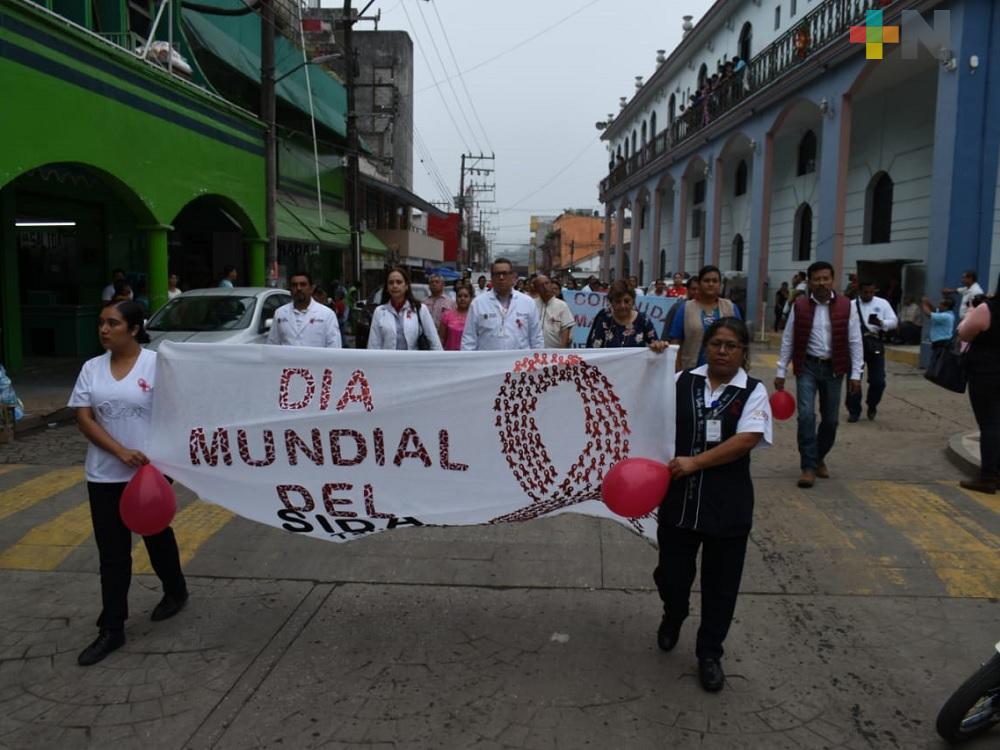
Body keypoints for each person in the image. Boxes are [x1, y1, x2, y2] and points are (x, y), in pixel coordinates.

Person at [653, 317, 772, 693]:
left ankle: (709, 654)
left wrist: (695, 463)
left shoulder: (753, 391)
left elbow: (747, 439)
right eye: (716, 343)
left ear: (743, 352)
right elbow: (643, 403)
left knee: (721, 587)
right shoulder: (681, 381)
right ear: (705, 346)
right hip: (680, 504)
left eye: (731, 346)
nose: (722, 351)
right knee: (671, 576)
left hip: (728, 505)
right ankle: (674, 613)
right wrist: (652, 359)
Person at [68, 301, 188, 666]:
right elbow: (84, 418)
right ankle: (112, 628)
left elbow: (176, 412)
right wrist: (119, 451)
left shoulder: (157, 366)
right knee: (113, 552)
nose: (104, 329)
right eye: (101, 323)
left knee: (156, 535)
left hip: (149, 473)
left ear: (134, 329)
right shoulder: (92, 368)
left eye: (113, 323)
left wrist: (159, 455)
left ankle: (175, 590)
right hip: (104, 474)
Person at [775, 261, 863, 488]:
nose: (822, 283)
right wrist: (781, 369)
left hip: (835, 369)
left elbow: (855, 340)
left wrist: (856, 374)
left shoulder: (847, 306)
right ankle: (808, 466)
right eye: (817, 279)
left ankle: (819, 456)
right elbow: (789, 338)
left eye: (826, 278)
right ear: (810, 281)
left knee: (831, 420)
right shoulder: (800, 305)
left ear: (832, 280)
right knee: (806, 415)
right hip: (808, 367)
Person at [957, 281, 1000, 493]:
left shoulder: (988, 309)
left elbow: (964, 334)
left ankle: (988, 477)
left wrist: (970, 313)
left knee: (990, 423)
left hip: (986, 373)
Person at [668, 265, 741, 370]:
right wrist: (678, 373)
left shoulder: (731, 308)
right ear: (699, 284)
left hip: (725, 370)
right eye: (706, 280)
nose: (711, 284)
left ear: (720, 285)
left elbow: (740, 340)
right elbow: (675, 343)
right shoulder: (685, 309)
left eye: (715, 281)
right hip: (691, 369)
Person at [461, 258, 543, 351]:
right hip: (487, 363)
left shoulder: (528, 302)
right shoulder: (478, 303)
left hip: (519, 363)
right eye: (497, 274)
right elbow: (469, 340)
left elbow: (536, 339)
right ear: (491, 277)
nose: (501, 277)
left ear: (513, 276)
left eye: (505, 273)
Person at [846, 281, 898, 422]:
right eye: (865, 292)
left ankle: (872, 404)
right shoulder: (851, 305)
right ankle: (854, 410)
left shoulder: (882, 304)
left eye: (871, 292)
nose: (868, 295)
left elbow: (894, 321)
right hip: (855, 344)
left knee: (878, 381)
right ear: (860, 291)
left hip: (874, 343)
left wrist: (882, 323)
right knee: (854, 379)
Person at [368, 266, 442, 350]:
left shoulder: (420, 309)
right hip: (388, 362)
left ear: (406, 286)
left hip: (413, 362)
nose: (394, 286)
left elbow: (434, 341)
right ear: (387, 288)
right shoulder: (379, 312)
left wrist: (440, 361)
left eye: (399, 282)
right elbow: (374, 344)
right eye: (391, 283)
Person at [267, 272, 342, 348]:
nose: (298, 288)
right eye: (294, 285)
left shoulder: (327, 314)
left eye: (303, 284)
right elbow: (272, 345)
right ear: (290, 289)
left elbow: (334, 347)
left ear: (311, 289)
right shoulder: (280, 313)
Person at [586, 279, 659, 348]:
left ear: (633, 301)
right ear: (611, 302)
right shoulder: (603, 317)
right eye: (618, 301)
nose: (622, 305)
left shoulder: (643, 320)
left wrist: (658, 346)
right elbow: (592, 348)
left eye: (626, 301)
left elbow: (655, 345)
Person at [534, 274, 575, 348]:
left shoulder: (562, 305)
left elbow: (566, 330)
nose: (544, 287)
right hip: (535, 353)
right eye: (540, 285)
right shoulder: (532, 305)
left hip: (554, 354)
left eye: (546, 283)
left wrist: (561, 354)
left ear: (550, 284)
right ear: (536, 289)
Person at [439, 282, 473, 351]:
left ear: (471, 298)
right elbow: (441, 338)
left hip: (469, 356)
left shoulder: (475, 316)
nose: (462, 298)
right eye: (459, 296)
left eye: (466, 296)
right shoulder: (447, 315)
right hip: (450, 357)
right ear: (456, 298)